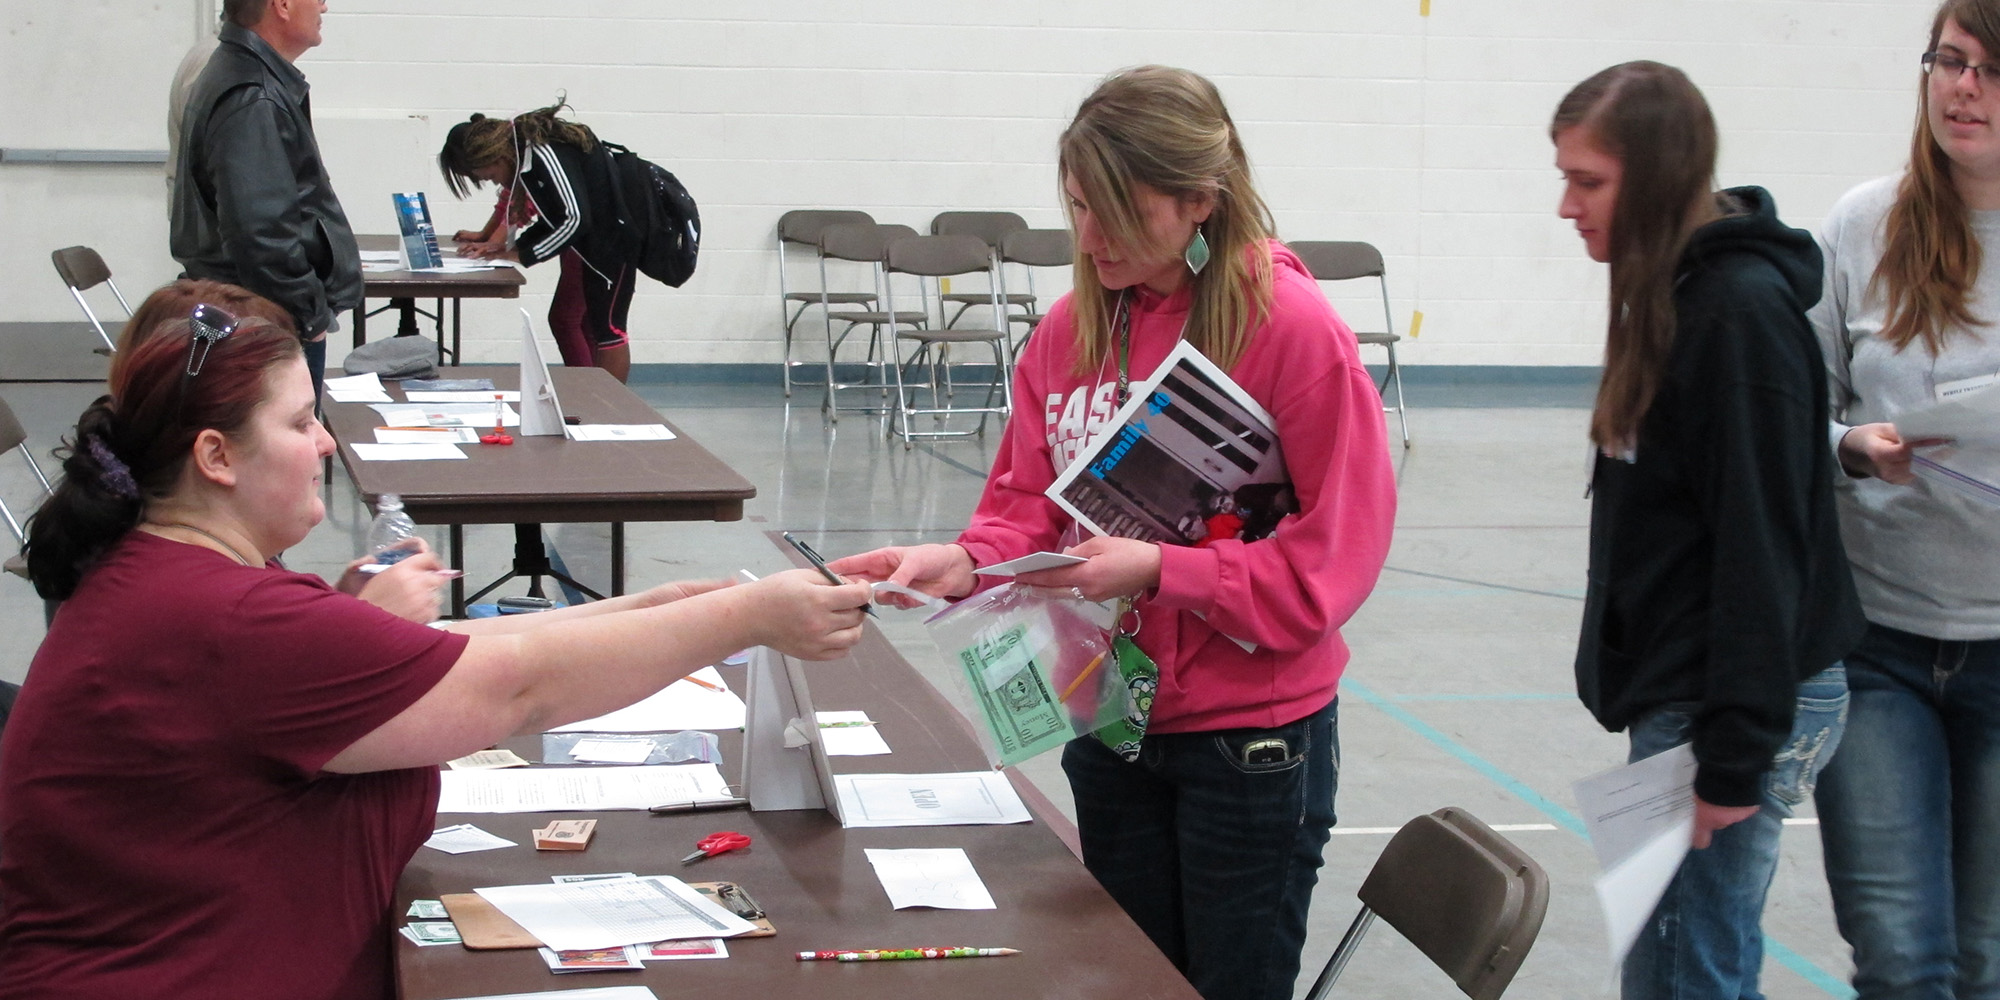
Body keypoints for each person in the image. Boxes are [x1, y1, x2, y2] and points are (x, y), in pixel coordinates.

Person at [0, 280, 869, 1000]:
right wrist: (744, 619)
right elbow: (511, 689)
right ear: (217, 456)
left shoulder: (172, 579)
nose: (327, 444)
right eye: (301, 423)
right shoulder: (231, 620)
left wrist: (657, 609)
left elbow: (447, 658)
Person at [828, 65, 1397, 1000]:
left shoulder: (1289, 330)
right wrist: (963, 561)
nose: (1086, 240)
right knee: (1124, 981)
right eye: (1078, 207)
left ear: (1199, 204)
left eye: (1114, 214)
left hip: (1247, 744)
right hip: (1109, 718)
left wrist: (1167, 571)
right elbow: (1024, 507)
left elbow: (1331, 564)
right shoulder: (1073, 327)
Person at [1552, 62, 1864, 1000]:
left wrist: (1731, 759)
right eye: (1564, 177)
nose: (1567, 206)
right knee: (1676, 960)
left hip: (1726, 702)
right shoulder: (1668, 296)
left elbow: (1763, 554)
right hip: (1686, 692)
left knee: (1688, 967)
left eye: (1589, 182)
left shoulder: (1738, 321)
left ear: (1656, 177)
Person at [1809, 3, 2000, 996]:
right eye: (1947, 62)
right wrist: (1846, 443)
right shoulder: (1861, 223)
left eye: (1987, 70)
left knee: (1984, 958)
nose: (1960, 88)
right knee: (1897, 954)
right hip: (1874, 642)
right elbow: (1789, 408)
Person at [171, 0, 358, 401]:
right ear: (284, 5)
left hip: (256, 314)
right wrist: (310, 318)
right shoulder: (252, 95)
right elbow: (261, 234)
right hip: (267, 323)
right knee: (276, 458)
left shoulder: (246, 77)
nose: (325, 4)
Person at [438, 105, 634, 383]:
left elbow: (575, 218)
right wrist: (510, 248)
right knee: (594, 325)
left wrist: (522, 254)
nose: (495, 182)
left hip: (612, 240)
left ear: (499, 156)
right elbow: (553, 216)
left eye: (491, 176)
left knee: (607, 328)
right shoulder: (527, 161)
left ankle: (605, 404)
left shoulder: (542, 156)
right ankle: (591, 394)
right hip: (593, 241)